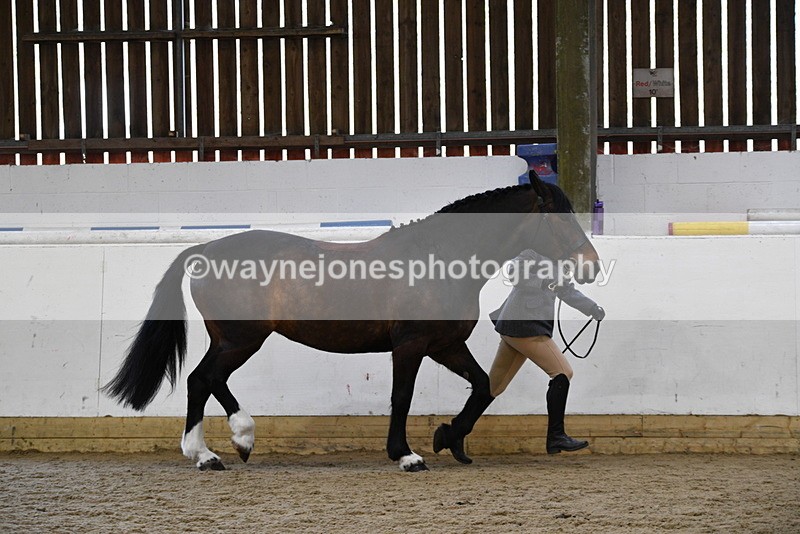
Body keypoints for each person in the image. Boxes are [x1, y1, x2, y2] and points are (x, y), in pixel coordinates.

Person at [488, 248, 605, 454]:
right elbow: (514, 273)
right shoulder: (532, 251)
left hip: (521, 326)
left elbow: (566, 290)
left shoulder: (560, 261)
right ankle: (556, 436)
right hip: (525, 324)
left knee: (494, 386)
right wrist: (543, 283)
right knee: (562, 372)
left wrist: (591, 307)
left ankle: (455, 431)